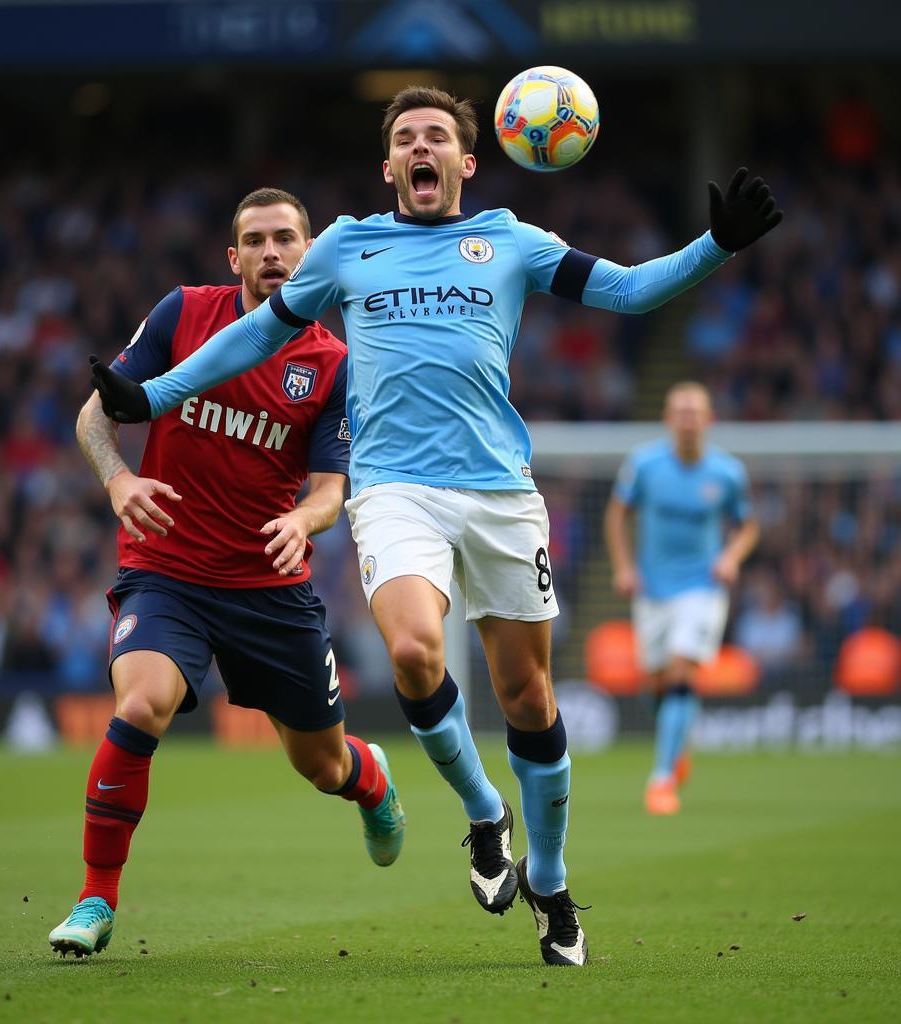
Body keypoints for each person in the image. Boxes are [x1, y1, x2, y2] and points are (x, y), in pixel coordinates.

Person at [89, 87, 782, 967]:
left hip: (499, 493)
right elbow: (257, 335)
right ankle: (484, 812)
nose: (422, 149)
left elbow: (632, 291)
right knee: (416, 651)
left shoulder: (514, 241)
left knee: (529, 697)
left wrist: (716, 246)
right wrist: (152, 396)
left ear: (466, 161)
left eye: (437, 139)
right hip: (394, 490)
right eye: (406, 139)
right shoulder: (346, 245)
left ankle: (554, 880)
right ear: (391, 168)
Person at [48, 188, 405, 959]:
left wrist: (299, 523)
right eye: (256, 240)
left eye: (286, 239)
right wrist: (117, 480)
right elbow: (95, 412)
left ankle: (369, 780)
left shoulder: (332, 362)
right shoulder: (182, 315)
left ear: (310, 254)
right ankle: (94, 900)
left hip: (268, 588)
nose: (272, 252)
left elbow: (331, 491)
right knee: (141, 704)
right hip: (167, 571)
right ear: (233, 256)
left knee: (321, 764)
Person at [604, 382, 759, 815]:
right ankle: (677, 747)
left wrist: (730, 556)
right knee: (654, 685)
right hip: (653, 590)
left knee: (679, 672)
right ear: (668, 419)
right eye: (680, 411)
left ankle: (661, 779)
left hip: (702, 588)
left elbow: (748, 526)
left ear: (709, 420)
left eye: (696, 412)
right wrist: (623, 567)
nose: (688, 419)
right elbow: (617, 515)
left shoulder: (726, 473)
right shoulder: (645, 464)